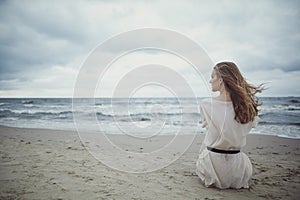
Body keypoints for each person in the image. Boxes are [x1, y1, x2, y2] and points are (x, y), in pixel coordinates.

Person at [196, 61, 263, 189]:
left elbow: (210, 129)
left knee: (207, 143)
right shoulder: (246, 106)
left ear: (221, 80)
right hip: (239, 171)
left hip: (212, 169)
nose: (210, 81)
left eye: (212, 77)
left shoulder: (206, 104)